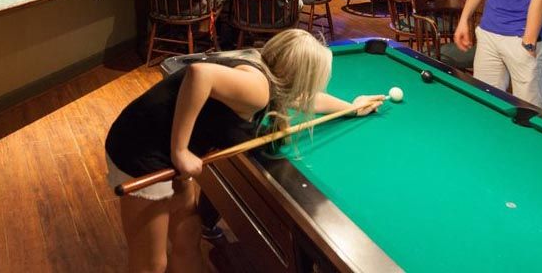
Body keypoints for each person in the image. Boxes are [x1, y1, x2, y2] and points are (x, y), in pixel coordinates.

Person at [104, 29, 384, 273]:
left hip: (161, 142)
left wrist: (351, 107)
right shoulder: (258, 89)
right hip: (141, 149)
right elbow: (200, 74)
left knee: (187, 236)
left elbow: (305, 99)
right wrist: (180, 150)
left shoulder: (266, 72)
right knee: (151, 265)